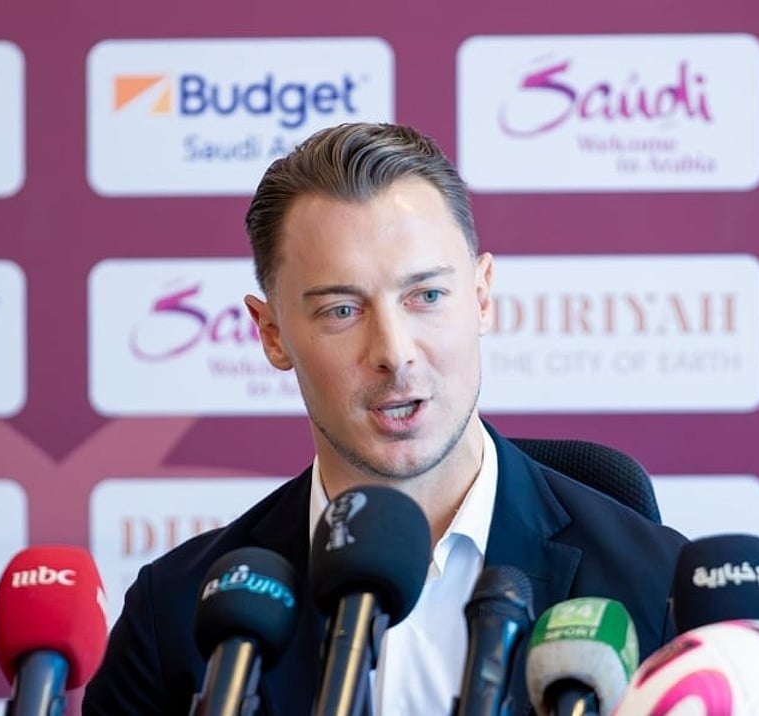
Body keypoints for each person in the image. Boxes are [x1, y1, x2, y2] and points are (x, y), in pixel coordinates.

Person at [83, 122, 687, 715]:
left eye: (426, 296)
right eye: (342, 310)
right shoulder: (173, 618)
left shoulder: (655, 588)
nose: (394, 353)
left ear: (481, 297)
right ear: (272, 334)